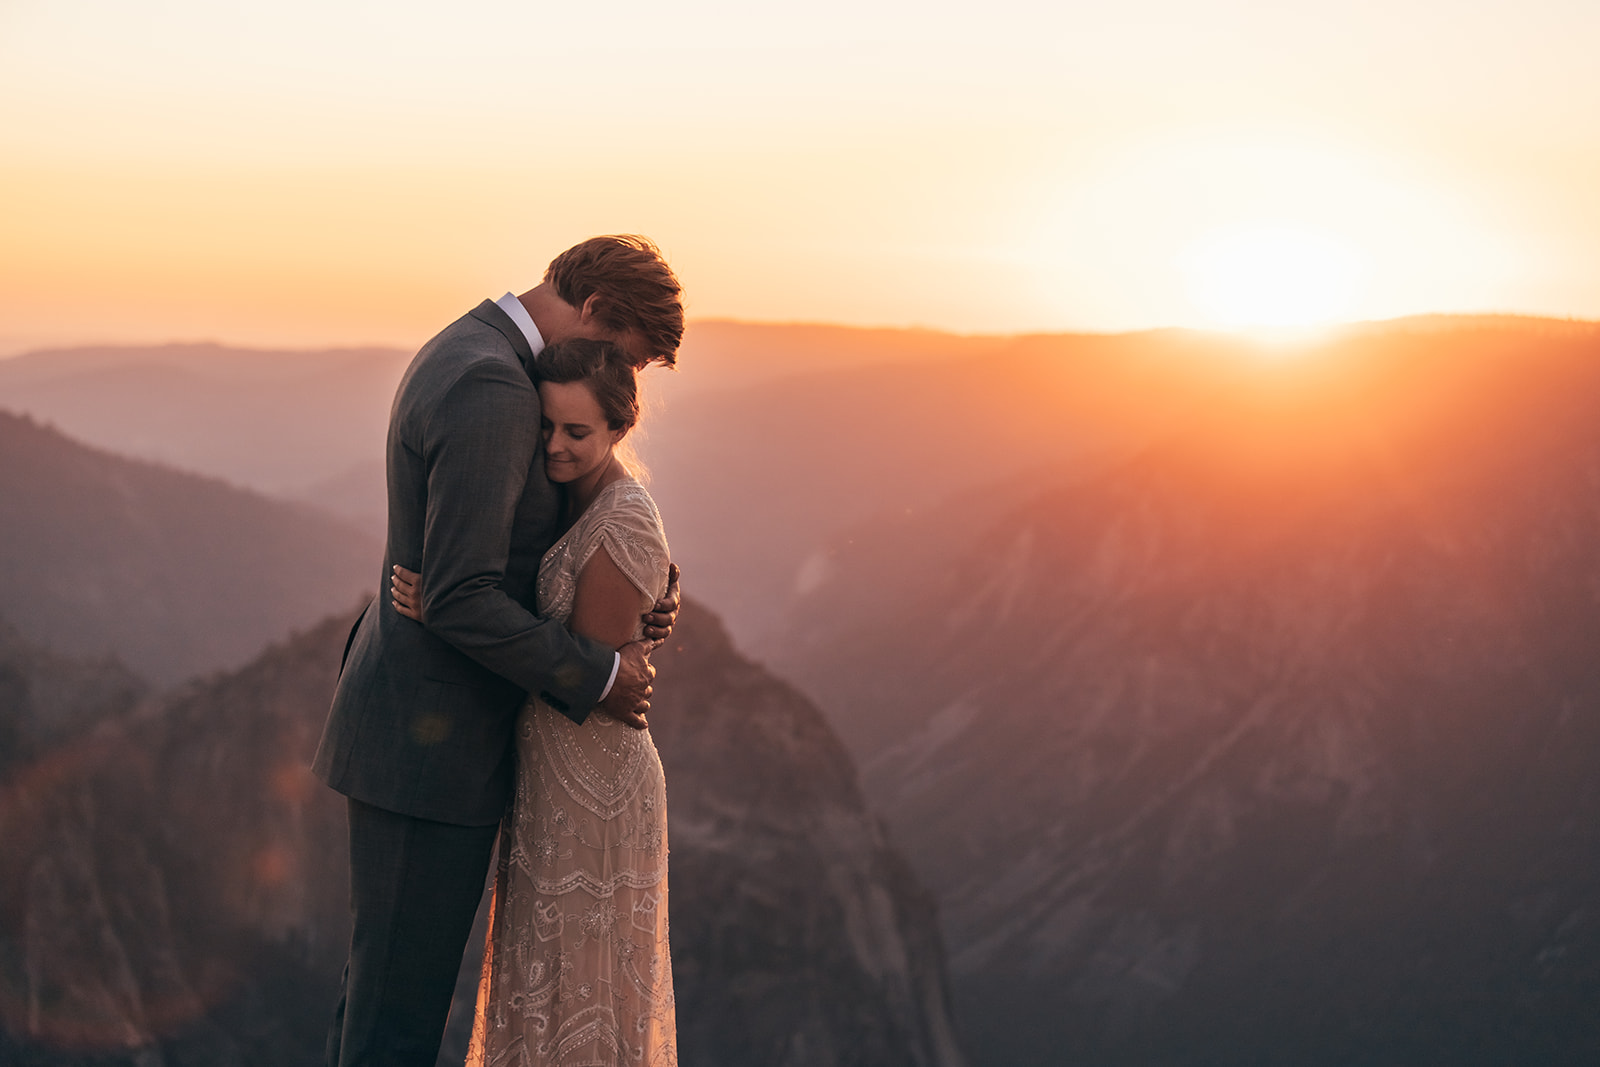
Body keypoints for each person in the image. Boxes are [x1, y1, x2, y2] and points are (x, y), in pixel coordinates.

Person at [312, 236, 684, 1067]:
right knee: (392, 1025)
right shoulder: (489, 382)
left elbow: (540, 530)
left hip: (427, 734)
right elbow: (459, 593)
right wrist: (601, 676)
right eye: (621, 356)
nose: (618, 381)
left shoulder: (480, 350)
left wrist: (645, 574)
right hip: (427, 740)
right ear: (592, 312)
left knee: (379, 1000)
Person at [390, 338, 675, 1064]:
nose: (554, 444)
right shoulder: (567, 498)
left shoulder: (621, 518)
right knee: (541, 988)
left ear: (618, 430)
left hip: (594, 787)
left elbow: (583, 677)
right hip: (553, 781)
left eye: (576, 432)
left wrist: (452, 610)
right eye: (545, 426)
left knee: (580, 998)